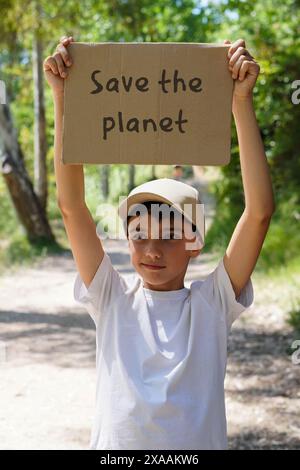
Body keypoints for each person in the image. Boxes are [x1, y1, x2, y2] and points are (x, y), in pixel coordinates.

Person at [43, 36, 275, 450]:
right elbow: (71, 207)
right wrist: (66, 99)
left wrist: (239, 101)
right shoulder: (111, 298)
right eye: (140, 234)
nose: (152, 249)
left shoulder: (212, 304)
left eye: (170, 236)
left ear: (195, 242)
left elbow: (259, 212)